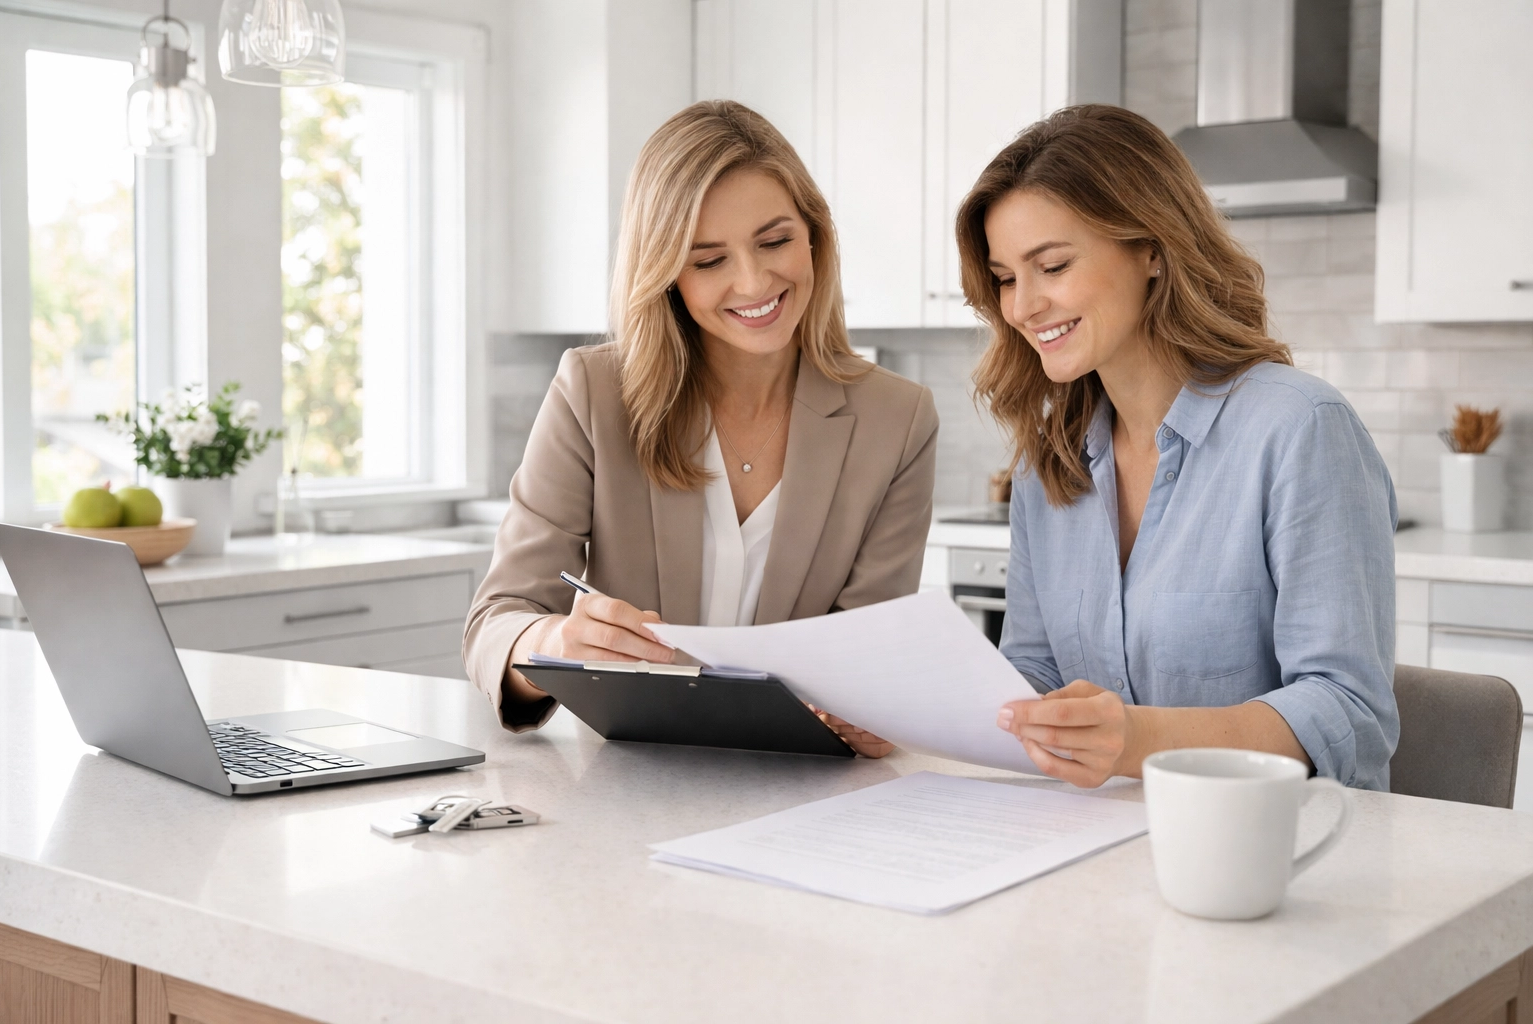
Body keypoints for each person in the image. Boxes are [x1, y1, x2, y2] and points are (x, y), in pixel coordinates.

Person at [463, 101, 938, 756]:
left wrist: (871, 708)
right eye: (708, 259)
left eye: (774, 241)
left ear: (814, 237)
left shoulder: (898, 419)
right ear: (666, 275)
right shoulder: (593, 394)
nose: (753, 280)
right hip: (629, 796)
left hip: (807, 795)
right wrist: (552, 643)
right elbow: (495, 622)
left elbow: (865, 656)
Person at [961, 105, 1399, 790]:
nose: (1021, 307)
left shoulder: (1297, 428)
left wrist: (1137, 739)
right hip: (1093, 849)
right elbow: (1037, 676)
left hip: (1275, 858)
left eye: (1051, 266)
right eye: (1007, 278)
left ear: (1153, 251)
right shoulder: (1047, 464)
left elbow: (1348, 710)